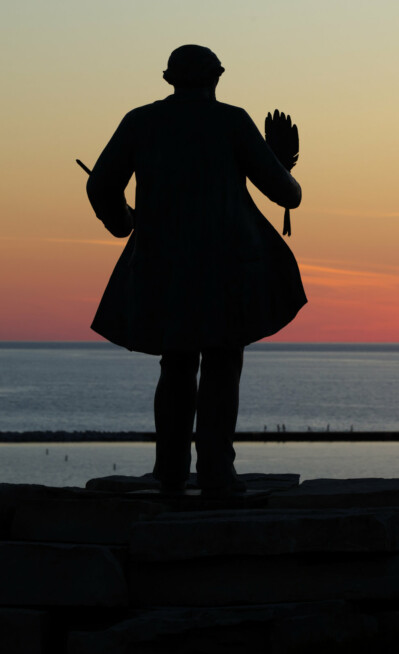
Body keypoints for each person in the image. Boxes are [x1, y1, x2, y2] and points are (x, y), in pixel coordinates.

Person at [86, 45, 306, 495]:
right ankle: (216, 472)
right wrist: (282, 160)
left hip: (164, 265)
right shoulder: (231, 122)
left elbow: (100, 184)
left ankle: (170, 470)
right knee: (223, 360)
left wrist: (122, 222)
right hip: (229, 264)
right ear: (217, 77)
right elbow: (288, 194)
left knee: (177, 363)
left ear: (169, 78)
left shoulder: (140, 121)